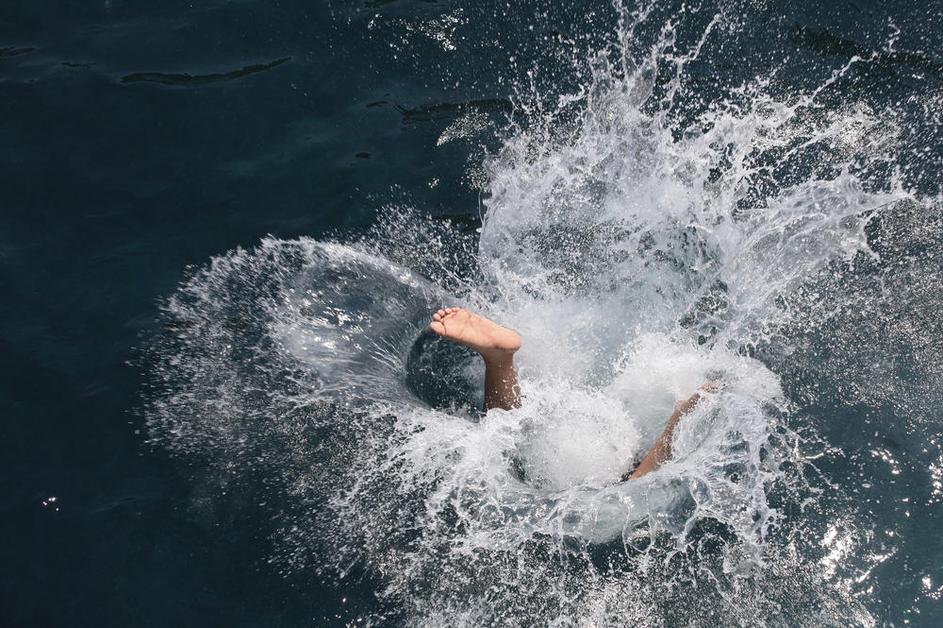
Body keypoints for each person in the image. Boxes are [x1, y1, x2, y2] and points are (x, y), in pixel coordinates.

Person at [429, 306, 708, 481]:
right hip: (594, 456)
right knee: (628, 490)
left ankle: (499, 361)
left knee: (509, 448)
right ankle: (676, 424)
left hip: (575, 442)